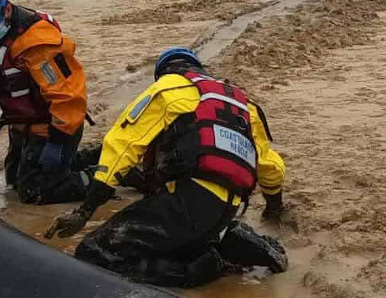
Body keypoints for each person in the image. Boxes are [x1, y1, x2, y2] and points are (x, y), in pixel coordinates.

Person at [46, 48, 287, 288]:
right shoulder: (244, 105)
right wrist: (274, 207)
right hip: (227, 208)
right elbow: (271, 166)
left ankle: (207, 266)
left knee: (95, 253)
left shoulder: (168, 87)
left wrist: (85, 211)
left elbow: (122, 143)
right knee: (176, 240)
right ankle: (226, 240)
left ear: (164, 72)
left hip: (187, 201)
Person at [0, 0, 92, 205]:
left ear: (7, 9)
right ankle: (83, 160)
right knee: (13, 182)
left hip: (55, 124)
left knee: (35, 191)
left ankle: (101, 179)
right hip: (22, 123)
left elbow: (68, 95)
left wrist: (57, 140)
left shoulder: (37, 44)